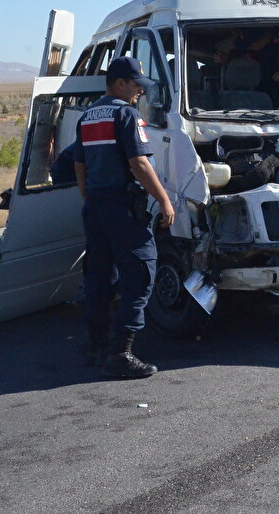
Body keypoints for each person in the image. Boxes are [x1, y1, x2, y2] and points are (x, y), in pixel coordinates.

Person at [74, 57, 176, 378]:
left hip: (96, 208)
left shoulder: (87, 115)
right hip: (123, 209)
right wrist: (164, 200)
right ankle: (122, 352)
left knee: (99, 278)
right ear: (120, 84)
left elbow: (79, 163)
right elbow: (140, 164)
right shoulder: (126, 114)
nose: (139, 94)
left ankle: (96, 346)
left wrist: (89, 195)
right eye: (136, 86)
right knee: (141, 275)